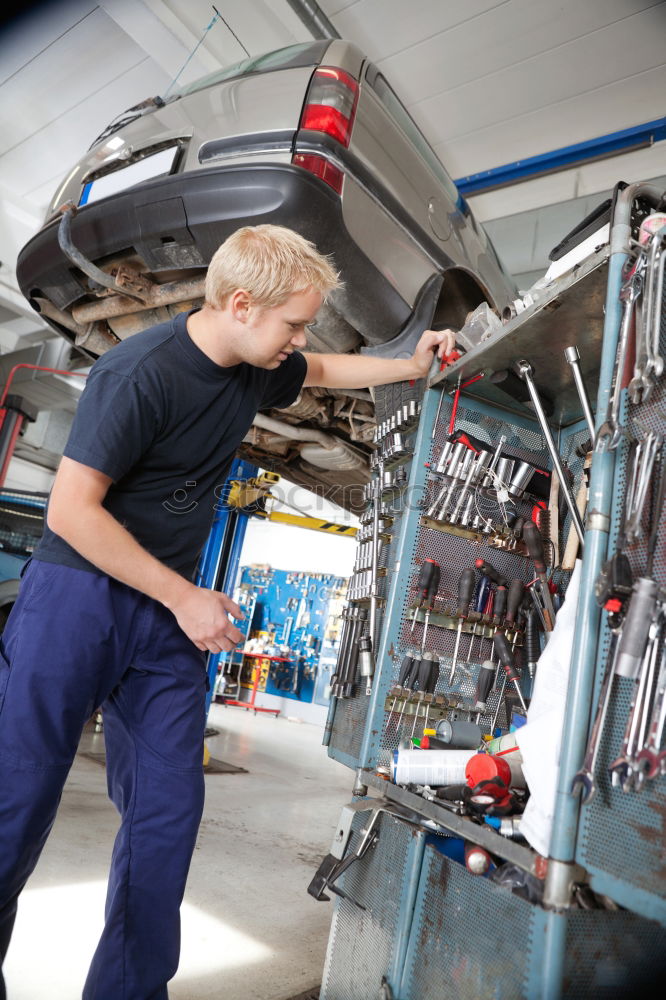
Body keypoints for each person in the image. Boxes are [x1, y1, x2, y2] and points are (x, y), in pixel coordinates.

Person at [0, 224, 454, 999]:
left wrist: (408, 366)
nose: (300, 339)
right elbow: (72, 513)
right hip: (77, 601)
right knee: (15, 807)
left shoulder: (256, 363)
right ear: (240, 304)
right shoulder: (135, 374)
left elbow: (325, 368)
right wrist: (183, 596)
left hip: (164, 617)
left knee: (167, 816)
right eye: (292, 323)